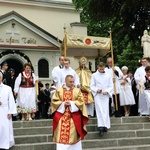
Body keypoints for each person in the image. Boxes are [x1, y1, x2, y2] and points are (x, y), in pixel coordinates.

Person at [52, 75, 88, 150]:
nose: (72, 83)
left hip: (73, 117)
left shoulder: (77, 91)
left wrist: (71, 103)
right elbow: (54, 101)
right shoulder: (59, 90)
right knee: (60, 138)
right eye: (70, 82)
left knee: (74, 136)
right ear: (65, 81)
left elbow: (81, 102)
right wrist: (63, 104)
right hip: (61, 116)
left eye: (73, 82)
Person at [90, 62, 113, 136]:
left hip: (105, 96)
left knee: (105, 111)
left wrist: (107, 91)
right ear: (97, 67)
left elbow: (111, 85)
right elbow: (92, 85)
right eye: (100, 68)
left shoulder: (108, 75)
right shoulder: (94, 75)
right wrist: (97, 90)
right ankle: (101, 127)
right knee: (99, 110)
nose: (101, 70)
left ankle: (105, 125)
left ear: (104, 67)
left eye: (102, 68)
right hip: (98, 95)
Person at [0, 72, 17, 149]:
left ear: (1, 78)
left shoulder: (7, 88)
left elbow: (11, 101)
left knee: (5, 128)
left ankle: (5, 144)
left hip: (5, 111)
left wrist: (10, 111)